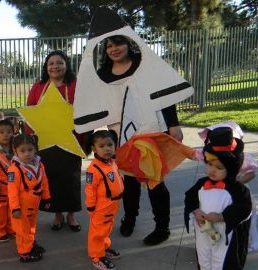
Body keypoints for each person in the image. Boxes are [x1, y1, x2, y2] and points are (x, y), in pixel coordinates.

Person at [97, 35, 183, 245]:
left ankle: (162, 228)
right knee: (130, 181)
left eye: (118, 43)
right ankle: (129, 219)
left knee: (154, 180)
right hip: (121, 134)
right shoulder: (103, 74)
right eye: (109, 46)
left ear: (128, 44)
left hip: (151, 130)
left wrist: (173, 124)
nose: (114, 49)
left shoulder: (145, 65)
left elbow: (164, 95)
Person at [26, 50, 83, 231]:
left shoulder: (76, 85)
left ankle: (72, 215)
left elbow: (85, 112)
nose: (55, 66)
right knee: (51, 179)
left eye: (59, 62)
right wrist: (31, 142)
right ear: (46, 67)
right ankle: (58, 214)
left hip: (71, 140)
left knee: (71, 178)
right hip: (46, 141)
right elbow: (30, 113)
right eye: (51, 63)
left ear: (66, 65)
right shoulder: (38, 87)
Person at [184, 127, 252, 270]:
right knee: (203, 261)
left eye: (219, 167)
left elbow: (244, 208)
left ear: (232, 168)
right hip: (204, 234)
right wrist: (196, 211)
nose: (211, 170)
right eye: (209, 164)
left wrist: (221, 216)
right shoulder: (202, 183)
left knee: (223, 263)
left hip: (225, 237)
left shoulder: (238, 190)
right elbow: (190, 196)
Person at [8, 134, 51, 262]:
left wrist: (47, 197)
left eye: (30, 150)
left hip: (34, 203)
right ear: (15, 151)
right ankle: (25, 252)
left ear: (35, 149)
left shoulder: (39, 165)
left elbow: (44, 182)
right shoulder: (14, 169)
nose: (27, 154)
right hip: (21, 205)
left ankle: (30, 244)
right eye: (22, 151)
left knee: (31, 226)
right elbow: (12, 191)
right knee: (22, 230)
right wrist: (15, 208)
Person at [84, 130, 123, 270]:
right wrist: (90, 207)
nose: (107, 148)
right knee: (97, 232)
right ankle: (96, 256)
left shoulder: (112, 162)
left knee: (106, 228)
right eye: (101, 146)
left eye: (110, 145)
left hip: (113, 205)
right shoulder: (94, 169)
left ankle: (103, 248)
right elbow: (90, 190)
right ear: (94, 149)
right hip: (101, 207)